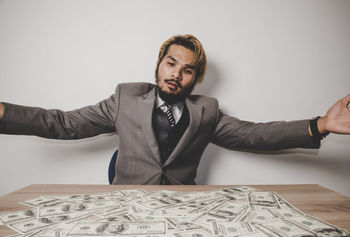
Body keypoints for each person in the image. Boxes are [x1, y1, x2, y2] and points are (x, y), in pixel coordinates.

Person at [0, 34, 349, 185]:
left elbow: (253, 135)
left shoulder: (207, 112)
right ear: (158, 64)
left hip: (184, 209)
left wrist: (320, 124)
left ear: (196, 78)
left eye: (187, 70)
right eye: (171, 63)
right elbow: (61, 123)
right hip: (127, 208)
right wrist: (4, 112)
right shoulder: (124, 99)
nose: (176, 74)